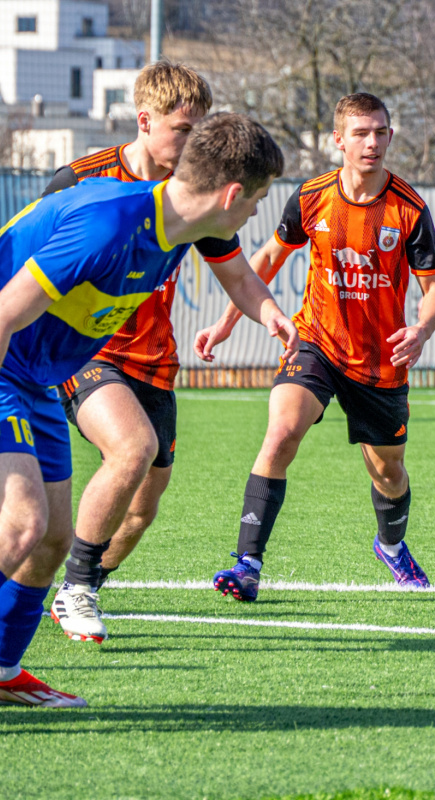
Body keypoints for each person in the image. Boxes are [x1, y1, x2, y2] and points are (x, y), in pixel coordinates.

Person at [0, 112, 298, 706]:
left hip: (36, 375)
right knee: (22, 522)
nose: (258, 214)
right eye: (258, 200)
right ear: (232, 194)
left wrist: (268, 312)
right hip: (6, 362)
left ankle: (2, 671)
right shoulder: (109, 225)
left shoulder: (181, 224)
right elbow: (4, 316)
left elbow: (239, 277)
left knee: (55, 539)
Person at [195, 93, 435, 600]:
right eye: (360, 133)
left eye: (380, 132)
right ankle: (247, 563)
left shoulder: (408, 208)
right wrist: (226, 322)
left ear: (390, 137)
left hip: (379, 363)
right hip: (317, 342)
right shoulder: (312, 197)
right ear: (338, 140)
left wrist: (421, 331)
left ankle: (392, 547)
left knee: (389, 471)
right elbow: (264, 260)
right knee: (282, 431)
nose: (371, 142)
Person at [46, 62, 258, 644]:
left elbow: (239, 277)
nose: (196, 145)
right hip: (83, 351)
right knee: (131, 447)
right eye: (183, 131)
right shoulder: (82, 182)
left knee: (143, 508)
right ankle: (78, 587)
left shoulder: (194, 193)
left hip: (155, 362)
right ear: (145, 121)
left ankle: (77, 583)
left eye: (202, 131)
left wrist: (277, 319)